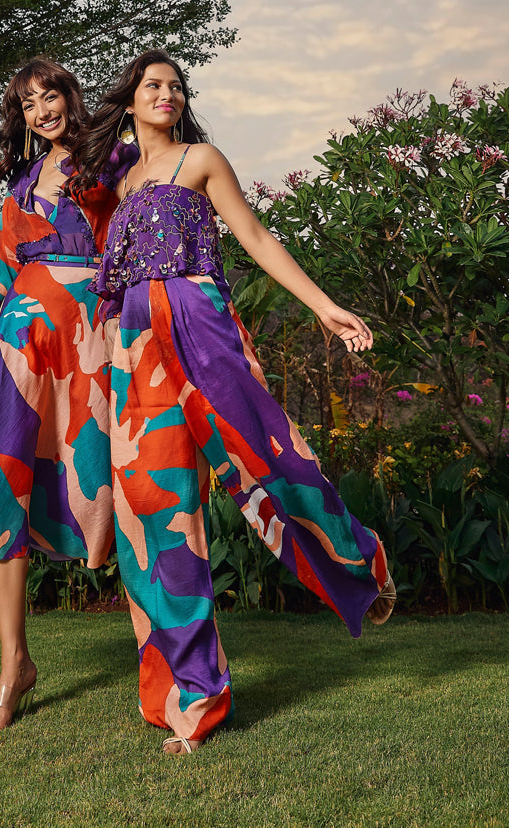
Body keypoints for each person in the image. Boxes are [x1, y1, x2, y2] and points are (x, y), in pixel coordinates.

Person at [71, 50, 394, 756]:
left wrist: (325, 307)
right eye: (153, 84)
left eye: (176, 86)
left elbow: (254, 236)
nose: (167, 93)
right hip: (135, 350)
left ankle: (356, 556)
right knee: (156, 514)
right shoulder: (117, 183)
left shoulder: (201, 160)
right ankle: (190, 700)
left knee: (269, 458)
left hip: (201, 327)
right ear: (128, 100)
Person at [0, 58, 133, 734]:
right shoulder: (20, 184)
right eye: (29, 102)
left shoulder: (115, 162)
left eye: (53, 95)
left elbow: (142, 239)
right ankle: (14, 668)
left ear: (73, 98)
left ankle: (172, 662)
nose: (44, 110)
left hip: (90, 353)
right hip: (15, 355)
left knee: (120, 494)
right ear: (21, 116)